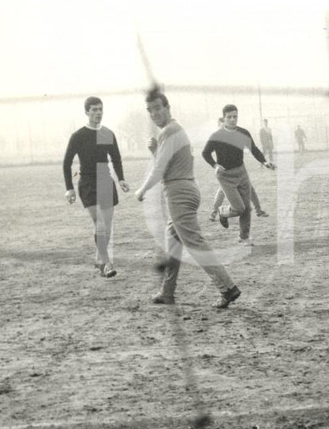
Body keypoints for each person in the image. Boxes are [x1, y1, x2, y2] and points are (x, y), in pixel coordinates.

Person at [134, 91, 242, 309]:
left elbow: (159, 170)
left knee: (194, 243)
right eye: (150, 110)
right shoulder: (175, 130)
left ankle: (228, 288)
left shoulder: (169, 130)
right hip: (186, 189)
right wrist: (155, 149)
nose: (154, 113)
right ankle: (167, 292)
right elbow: (169, 163)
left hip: (179, 192)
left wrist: (142, 190)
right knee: (172, 244)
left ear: (167, 108)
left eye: (157, 108)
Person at [62, 96, 129, 278]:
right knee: (99, 223)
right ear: (87, 112)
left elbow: (116, 158)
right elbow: (67, 162)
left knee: (106, 226)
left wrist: (121, 179)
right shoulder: (78, 136)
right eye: (94, 110)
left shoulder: (107, 133)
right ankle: (106, 263)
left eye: (100, 109)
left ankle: (99, 259)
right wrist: (69, 188)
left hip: (105, 179)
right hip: (88, 182)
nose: (98, 113)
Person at [201, 105, 275, 247]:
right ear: (224, 118)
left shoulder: (243, 133)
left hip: (241, 173)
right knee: (238, 208)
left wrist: (265, 162)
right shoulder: (217, 136)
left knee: (247, 208)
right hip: (225, 176)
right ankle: (223, 211)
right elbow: (205, 153)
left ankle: (244, 237)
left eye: (235, 116)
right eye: (229, 117)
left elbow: (254, 149)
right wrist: (215, 165)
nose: (233, 119)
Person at [207, 116, 268, 220]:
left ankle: (258, 210)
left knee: (250, 188)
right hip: (225, 173)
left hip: (237, 172)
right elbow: (208, 153)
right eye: (221, 125)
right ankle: (215, 212)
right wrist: (215, 165)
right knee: (222, 191)